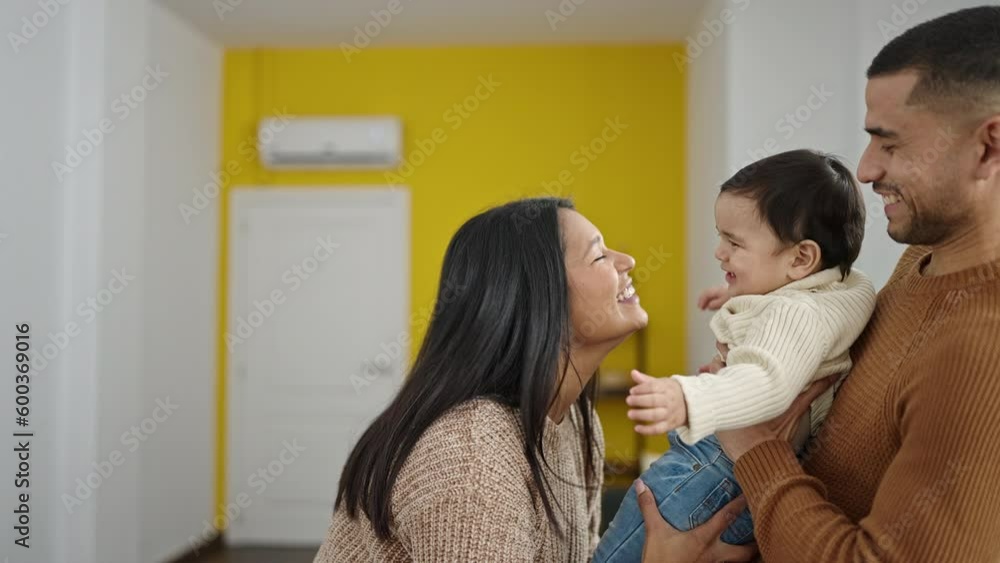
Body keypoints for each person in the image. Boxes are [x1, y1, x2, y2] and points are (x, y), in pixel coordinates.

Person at [640, 6, 1000, 562]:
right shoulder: (919, 262)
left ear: (988, 145)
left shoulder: (983, 346)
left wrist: (755, 446)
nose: (865, 169)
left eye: (891, 143)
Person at [313, 197, 648, 562]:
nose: (626, 262)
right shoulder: (471, 459)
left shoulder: (577, 423)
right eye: (599, 256)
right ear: (539, 298)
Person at [593, 150, 877, 562]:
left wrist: (688, 396)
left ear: (801, 259)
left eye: (734, 243)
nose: (718, 252)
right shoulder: (844, 289)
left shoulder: (792, 313)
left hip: (712, 470)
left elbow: (765, 382)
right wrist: (737, 296)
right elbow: (815, 301)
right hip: (735, 473)